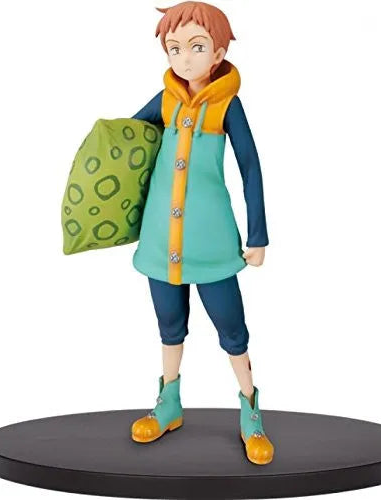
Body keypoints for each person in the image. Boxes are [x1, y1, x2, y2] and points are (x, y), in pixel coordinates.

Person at [130, 1, 273, 465]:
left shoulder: (226, 105)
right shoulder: (166, 100)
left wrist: (257, 235)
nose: (184, 59)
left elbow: (250, 168)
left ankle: (250, 409)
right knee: (169, 326)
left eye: (196, 47)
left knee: (232, 329)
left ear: (218, 53)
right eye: (174, 48)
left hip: (210, 242)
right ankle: (168, 402)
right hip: (160, 241)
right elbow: (128, 136)